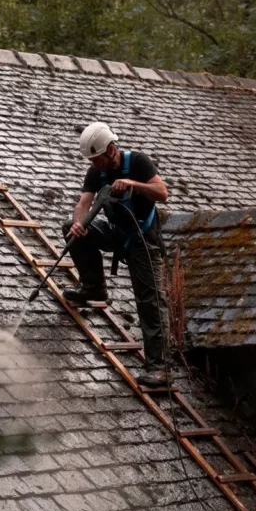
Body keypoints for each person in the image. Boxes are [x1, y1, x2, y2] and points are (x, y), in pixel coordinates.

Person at [62, 122, 172, 387]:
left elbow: (163, 192)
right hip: (116, 234)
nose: (94, 164)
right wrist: (79, 222)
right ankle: (93, 287)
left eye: (96, 158)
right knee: (71, 230)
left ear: (110, 149)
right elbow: (83, 204)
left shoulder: (138, 162)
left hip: (144, 241)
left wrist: (133, 183)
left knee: (150, 301)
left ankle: (159, 368)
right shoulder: (95, 174)